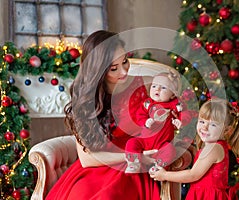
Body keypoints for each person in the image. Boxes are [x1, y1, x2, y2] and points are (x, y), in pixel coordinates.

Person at [46, 30, 161, 200]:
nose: (124, 72)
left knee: (109, 196)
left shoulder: (144, 84)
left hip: (131, 170)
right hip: (99, 166)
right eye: (114, 68)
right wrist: (133, 156)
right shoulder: (85, 97)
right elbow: (86, 160)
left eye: (125, 62)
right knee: (80, 195)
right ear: (97, 70)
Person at [150, 98, 239, 199]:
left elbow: (192, 175)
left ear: (227, 130)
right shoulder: (215, 145)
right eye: (202, 121)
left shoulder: (213, 148)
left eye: (213, 125)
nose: (204, 127)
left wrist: (164, 175)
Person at [125, 72, 183, 173]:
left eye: (163, 87)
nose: (157, 89)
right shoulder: (147, 104)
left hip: (162, 143)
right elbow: (139, 115)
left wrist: (180, 121)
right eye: (154, 86)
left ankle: (158, 167)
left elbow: (184, 113)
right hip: (145, 140)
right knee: (131, 142)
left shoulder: (174, 105)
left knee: (170, 150)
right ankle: (133, 163)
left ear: (173, 94)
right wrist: (145, 122)